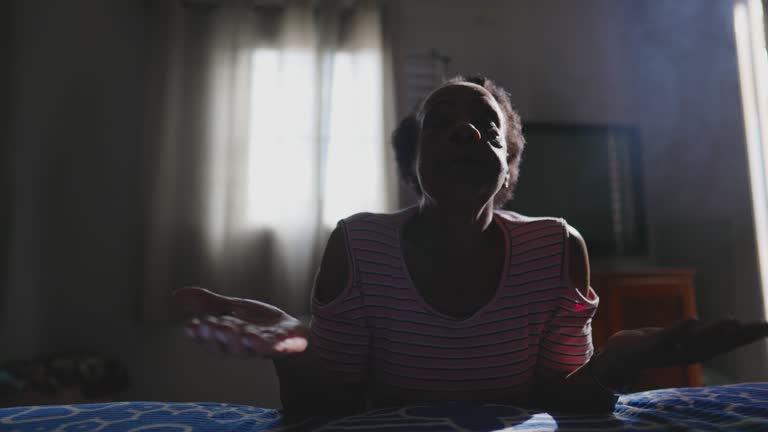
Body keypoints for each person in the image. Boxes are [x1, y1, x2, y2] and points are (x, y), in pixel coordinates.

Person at [174, 75, 768, 417]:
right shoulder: (358, 244)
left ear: (507, 169)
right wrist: (289, 344)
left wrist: (620, 360)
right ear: (414, 165)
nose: (467, 132)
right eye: (443, 124)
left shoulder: (557, 247)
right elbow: (326, 409)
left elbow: (569, 402)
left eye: (487, 129)